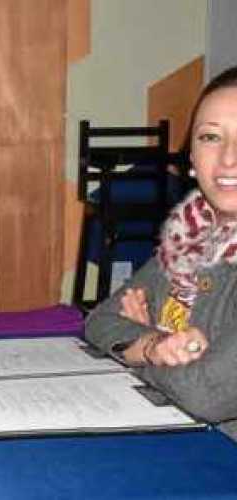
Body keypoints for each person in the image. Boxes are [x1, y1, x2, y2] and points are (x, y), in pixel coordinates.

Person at [85, 65, 237, 439]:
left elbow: (204, 393)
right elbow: (99, 321)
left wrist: (139, 347)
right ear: (191, 159)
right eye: (211, 137)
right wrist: (155, 345)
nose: (228, 158)